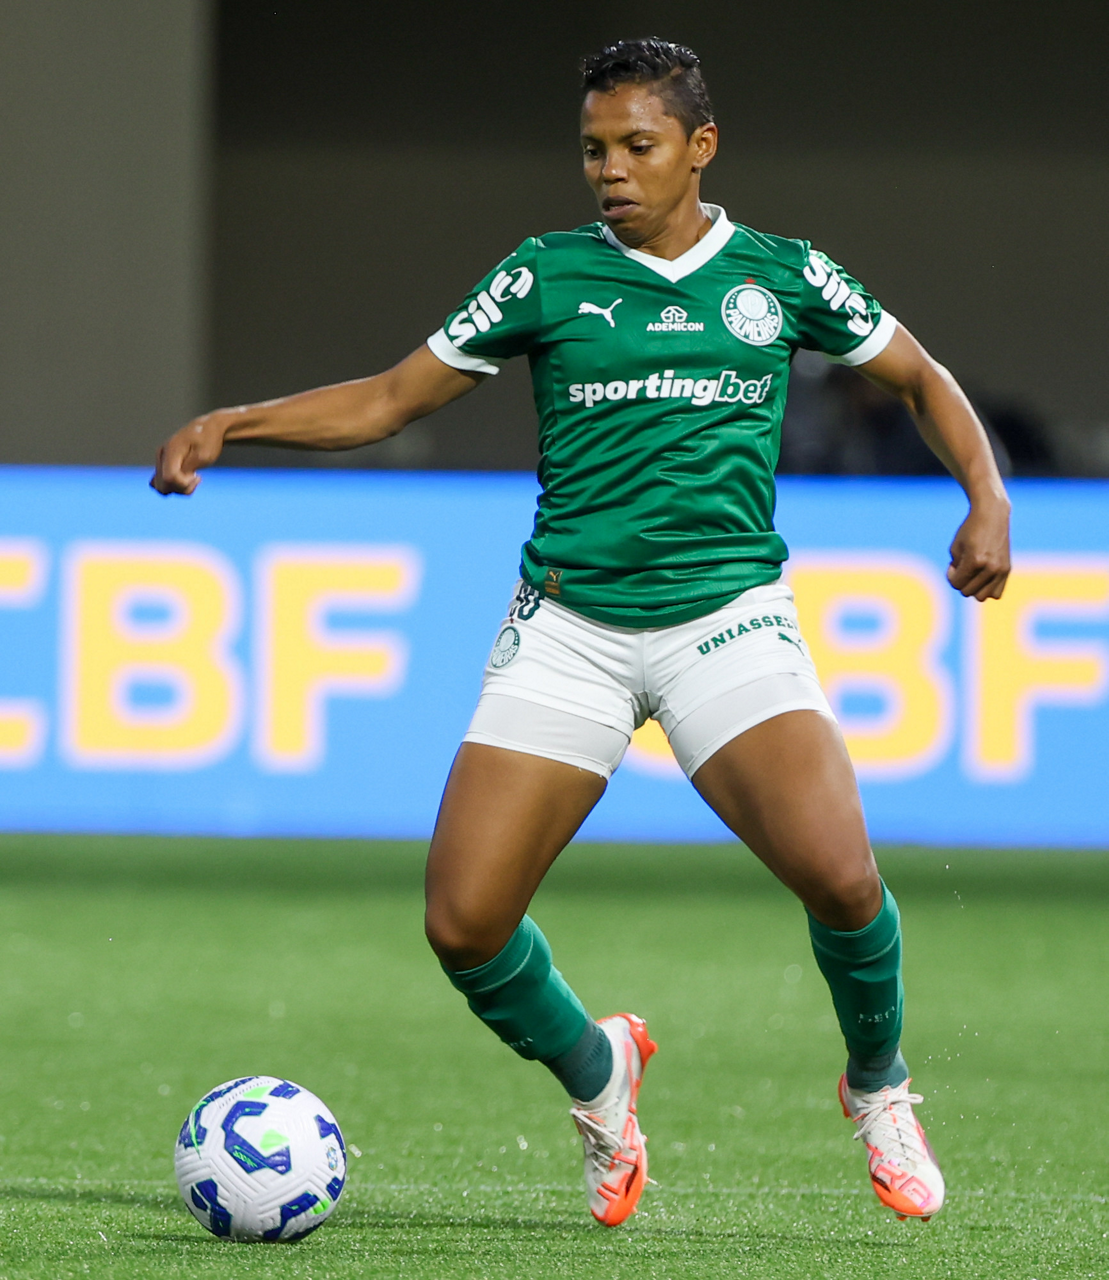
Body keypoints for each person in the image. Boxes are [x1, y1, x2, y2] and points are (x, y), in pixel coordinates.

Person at [153, 38, 1011, 1228]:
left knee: (839, 874)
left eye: (635, 146)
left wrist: (986, 495)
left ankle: (876, 1086)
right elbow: (391, 398)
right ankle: (598, 1070)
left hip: (724, 618)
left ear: (699, 147)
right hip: (570, 626)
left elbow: (919, 377)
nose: (609, 170)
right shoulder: (543, 277)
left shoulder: (779, 275)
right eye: (593, 149)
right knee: (463, 921)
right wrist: (234, 422)